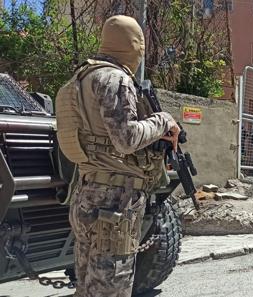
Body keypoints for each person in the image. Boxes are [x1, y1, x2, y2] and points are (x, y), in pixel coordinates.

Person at [56, 16, 180, 296]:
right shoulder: (115, 78)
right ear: (132, 44)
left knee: (88, 287)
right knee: (111, 289)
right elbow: (126, 139)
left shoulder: (81, 78)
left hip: (87, 193)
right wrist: (163, 121)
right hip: (114, 202)